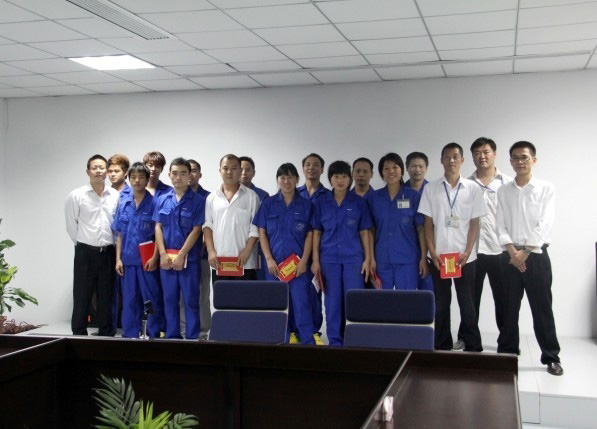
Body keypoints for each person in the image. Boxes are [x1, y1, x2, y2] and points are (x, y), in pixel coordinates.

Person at [497, 141, 563, 376]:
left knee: (542, 309)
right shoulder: (504, 191)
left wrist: (524, 252)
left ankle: (551, 357)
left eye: (524, 157)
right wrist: (513, 251)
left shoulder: (545, 188)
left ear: (533, 160)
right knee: (508, 308)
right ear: (510, 161)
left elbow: (545, 224)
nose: (520, 161)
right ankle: (507, 353)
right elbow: (500, 224)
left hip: (535, 256)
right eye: (515, 158)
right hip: (509, 256)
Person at [418, 143, 487, 352]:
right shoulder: (431, 188)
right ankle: (442, 344)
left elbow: (475, 223)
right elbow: (427, 223)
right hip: (439, 257)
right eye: (447, 157)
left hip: (465, 259)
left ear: (462, 160)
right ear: (441, 160)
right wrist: (432, 252)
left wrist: (467, 251)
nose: (451, 160)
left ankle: (473, 345)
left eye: (455, 156)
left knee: (468, 304)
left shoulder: (473, 188)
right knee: (441, 304)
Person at [454, 138, 513, 351]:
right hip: (473, 252)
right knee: (469, 299)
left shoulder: (507, 183)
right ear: (471, 157)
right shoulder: (465, 184)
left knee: (504, 299)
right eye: (477, 153)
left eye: (486, 151)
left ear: (494, 154)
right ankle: (466, 337)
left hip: (501, 250)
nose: (482, 156)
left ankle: (507, 341)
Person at [311, 160, 372, 346]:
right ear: (330, 179)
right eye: (336, 176)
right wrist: (315, 260)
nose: (340, 180)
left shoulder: (359, 202)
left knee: (353, 300)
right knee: (332, 302)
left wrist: (368, 258)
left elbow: (364, 232)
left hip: (354, 259)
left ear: (350, 178)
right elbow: (316, 232)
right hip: (329, 259)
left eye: (344, 176)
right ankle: (335, 341)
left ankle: (355, 340)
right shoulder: (321, 202)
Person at [253, 163, 315, 345]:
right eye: (282, 178)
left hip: (298, 267)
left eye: (290, 177)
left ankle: (307, 342)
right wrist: (269, 259)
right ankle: (279, 342)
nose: (286, 181)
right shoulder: (268, 203)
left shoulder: (306, 205)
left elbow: (310, 234)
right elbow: (262, 232)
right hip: (274, 267)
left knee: (302, 304)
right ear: (277, 180)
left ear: (297, 179)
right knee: (277, 305)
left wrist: (304, 261)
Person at [65, 154, 119, 336]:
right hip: (85, 252)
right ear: (87, 171)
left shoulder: (115, 195)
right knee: (82, 294)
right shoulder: (76, 195)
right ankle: (79, 332)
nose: (98, 171)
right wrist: (83, 244)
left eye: (102, 168)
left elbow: (117, 224)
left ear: (107, 171)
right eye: (94, 168)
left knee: (106, 294)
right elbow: (71, 225)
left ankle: (105, 332)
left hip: (108, 252)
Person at [112, 162, 165, 338]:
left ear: (147, 179)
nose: (137, 181)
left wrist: (155, 257)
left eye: (141, 177)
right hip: (128, 261)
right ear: (128, 179)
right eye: (133, 177)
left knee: (151, 299)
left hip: (147, 262)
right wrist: (118, 259)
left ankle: (153, 333)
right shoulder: (124, 203)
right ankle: (130, 334)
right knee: (129, 300)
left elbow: (158, 234)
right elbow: (119, 234)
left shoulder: (155, 203)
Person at [154, 158, 205, 339]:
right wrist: (162, 253)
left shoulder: (198, 201)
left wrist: (182, 254)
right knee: (169, 300)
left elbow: (197, 229)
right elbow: (158, 226)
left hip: (189, 261)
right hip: (167, 259)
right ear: (169, 175)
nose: (178, 177)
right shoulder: (162, 199)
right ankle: (172, 336)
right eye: (175, 173)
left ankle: (192, 337)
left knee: (191, 300)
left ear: (190, 175)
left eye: (183, 173)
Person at [368, 153, 428, 290]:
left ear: (402, 170)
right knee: (382, 300)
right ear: (381, 173)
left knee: (406, 300)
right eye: (386, 168)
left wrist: (423, 258)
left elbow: (421, 228)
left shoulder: (413, 196)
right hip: (382, 260)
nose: (391, 171)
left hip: (408, 259)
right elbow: (370, 230)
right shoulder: (374, 198)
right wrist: (371, 258)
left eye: (395, 167)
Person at [204, 154, 261, 283]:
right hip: (219, 261)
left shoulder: (251, 197)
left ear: (240, 171)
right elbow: (207, 226)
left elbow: (255, 228)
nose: (229, 172)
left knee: (245, 296)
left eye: (234, 168)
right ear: (220, 171)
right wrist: (211, 251)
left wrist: (247, 251)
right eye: (225, 168)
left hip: (245, 263)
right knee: (221, 296)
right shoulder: (211, 198)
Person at [297, 153, 330, 345]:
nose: (311, 168)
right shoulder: (294, 192)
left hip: (319, 252)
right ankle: (295, 330)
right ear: (303, 169)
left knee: (315, 292)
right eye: (308, 164)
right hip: (296, 254)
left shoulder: (328, 195)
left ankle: (315, 330)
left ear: (322, 169)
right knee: (297, 295)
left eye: (316, 164)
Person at [404, 152, 434, 292]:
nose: (417, 170)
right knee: (406, 294)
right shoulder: (399, 191)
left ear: (426, 168)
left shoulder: (434, 190)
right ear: (407, 168)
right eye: (413, 166)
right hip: (406, 249)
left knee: (429, 291)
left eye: (421, 166)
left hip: (430, 249)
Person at [107, 154, 131, 332]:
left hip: (128, 249)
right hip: (109, 247)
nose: (112, 174)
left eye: (116, 171)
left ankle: (131, 328)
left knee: (130, 292)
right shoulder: (105, 193)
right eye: (110, 171)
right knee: (109, 290)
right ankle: (111, 328)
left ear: (125, 173)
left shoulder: (132, 194)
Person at [188, 159, 211, 340]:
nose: (190, 174)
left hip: (202, 255)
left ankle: (203, 332)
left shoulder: (209, 198)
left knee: (203, 294)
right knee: (183, 295)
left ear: (200, 175)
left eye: (194, 170)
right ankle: (184, 330)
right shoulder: (175, 196)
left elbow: (212, 226)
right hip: (181, 256)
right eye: (186, 171)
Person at [239, 156, 270, 281]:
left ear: (253, 173)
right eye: (241, 169)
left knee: (258, 284)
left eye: (248, 170)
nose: (244, 173)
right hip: (236, 247)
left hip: (258, 248)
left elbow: (262, 225)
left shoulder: (263, 196)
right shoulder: (228, 195)